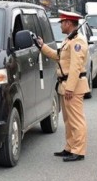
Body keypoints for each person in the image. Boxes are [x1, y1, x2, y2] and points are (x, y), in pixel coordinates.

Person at [35, 11, 89, 162]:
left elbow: (75, 68)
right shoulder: (69, 40)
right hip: (65, 85)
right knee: (68, 120)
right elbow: (58, 56)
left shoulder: (78, 42)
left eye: (62, 22)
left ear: (68, 23)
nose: (60, 25)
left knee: (76, 120)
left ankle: (78, 151)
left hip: (73, 86)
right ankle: (70, 147)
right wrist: (42, 46)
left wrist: (70, 88)